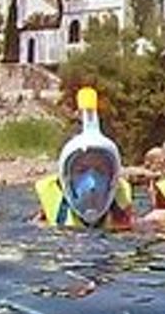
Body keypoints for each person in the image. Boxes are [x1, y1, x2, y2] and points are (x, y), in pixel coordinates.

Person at [36, 87, 134, 229]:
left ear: (113, 179)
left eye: (100, 171)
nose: (92, 183)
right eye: (81, 170)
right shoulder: (46, 225)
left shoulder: (126, 220)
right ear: (65, 179)